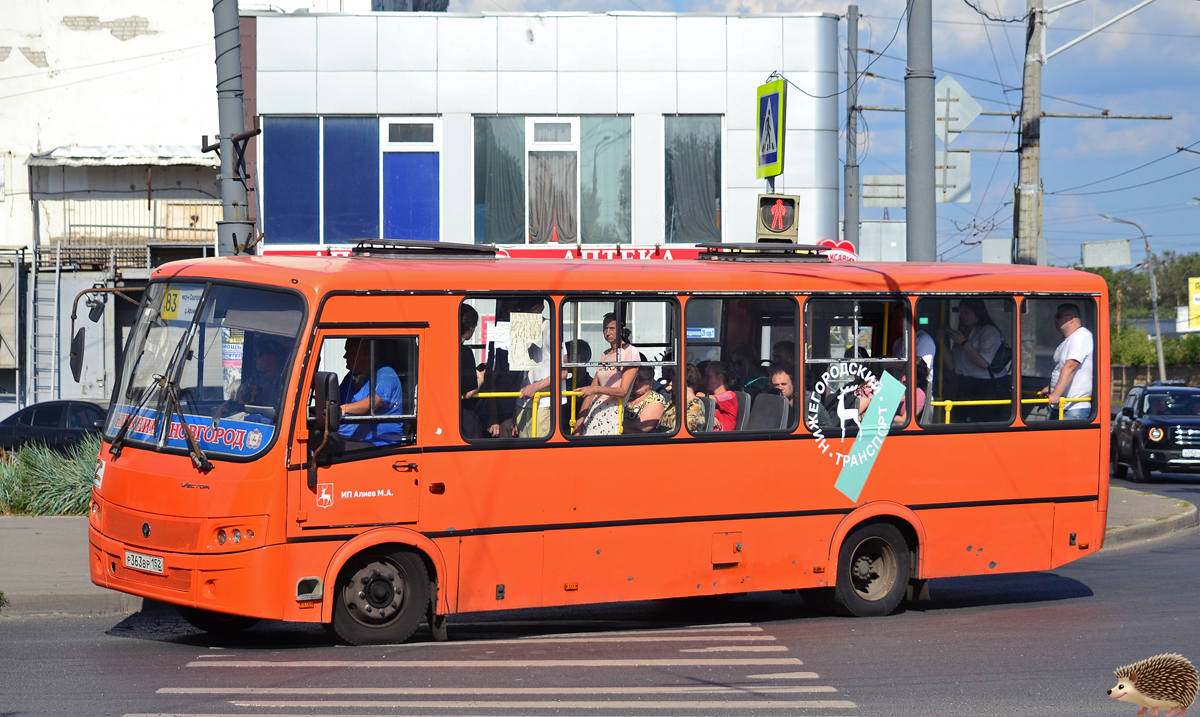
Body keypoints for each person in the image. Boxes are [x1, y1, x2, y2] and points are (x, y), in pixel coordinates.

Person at [939, 299, 1007, 422]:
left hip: (986, 386)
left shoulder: (988, 331)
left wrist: (963, 343)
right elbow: (952, 365)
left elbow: (983, 363)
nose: (962, 316)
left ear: (978, 313)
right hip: (965, 384)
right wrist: (941, 342)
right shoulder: (964, 331)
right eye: (961, 312)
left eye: (967, 313)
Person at [574, 313, 638, 436]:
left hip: (612, 410)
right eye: (605, 328)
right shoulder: (606, 354)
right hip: (595, 409)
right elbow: (591, 391)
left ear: (621, 330)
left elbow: (623, 391)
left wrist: (596, 389)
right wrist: (580, 421)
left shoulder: (630, 352)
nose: (607, 332)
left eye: (612, 328)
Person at [339, 338, 404, 447]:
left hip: (378, 444)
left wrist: (344, 409)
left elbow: (373, 403)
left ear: (365, 353)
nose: (344, 356)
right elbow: (336, 400)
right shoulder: (351, 376)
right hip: (351, 439)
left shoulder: (384, 374)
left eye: (350, 352)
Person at [1040, 303, 1093, 421]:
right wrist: (1051, 388)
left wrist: (1055, 394)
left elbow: (1070, 368)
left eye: (1059, 316)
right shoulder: (1066, 339)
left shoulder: (1081, 336)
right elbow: (1061, 368)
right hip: (1059, 406)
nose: (1055, 320)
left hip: (1073, 408)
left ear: (1071, 318)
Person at [212, 337, 285, 424]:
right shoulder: (254, 379)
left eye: (259, 355)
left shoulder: (283, 382)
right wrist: (223, 406)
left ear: (272, 358)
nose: (256, 359)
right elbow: (237, 400)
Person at [512, 300, 555, 438]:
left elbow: (563, 372)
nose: (526, 315)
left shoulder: (550, 329)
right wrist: (515, 411)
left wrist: (535, 387)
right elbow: (521, 371)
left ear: (541, 308)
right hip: (523, 402)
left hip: (543, 402)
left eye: (530, 311)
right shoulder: (522, 330)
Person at [459, 304, 499, 439]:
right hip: (463, 416)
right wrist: (481, 378)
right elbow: (469, 392)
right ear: (470, 327)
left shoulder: (446, 349)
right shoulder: (465, 353)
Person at [624, 362, 667, 433]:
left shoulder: (656, 399)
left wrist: (618, 427)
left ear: (651, 381)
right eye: (634, 378)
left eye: (641, 379)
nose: (636, 382)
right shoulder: (628, 395)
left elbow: (642, 426)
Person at [704, 360, 739, 431]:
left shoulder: (730, 396)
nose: (705, 379)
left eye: (708, 376)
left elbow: (703, 398)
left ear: (720, 377)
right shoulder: (712, 396)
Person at [893, 359, 929, 426]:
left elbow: (904, 421)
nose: (903, 379)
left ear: (918, 380)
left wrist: (881, 415)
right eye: (903, 373)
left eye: (908, 376)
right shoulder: (893, 385)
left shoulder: (919, 395)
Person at [768, 360, 798, 427]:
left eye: (784, 384)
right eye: (776, 385)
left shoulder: (805, 402)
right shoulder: (771, 404)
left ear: (794, 384)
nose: (780, 388)